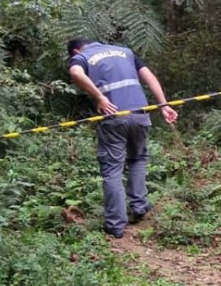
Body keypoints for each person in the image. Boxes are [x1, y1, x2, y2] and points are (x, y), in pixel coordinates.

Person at [66, 38, 178, 239]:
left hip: (114, 117)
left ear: (75, 51)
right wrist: (164, 105)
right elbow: (149, 77)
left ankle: (115, 225)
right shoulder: (125, 51)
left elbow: (75, 73)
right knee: (138, 159)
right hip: (140, 114)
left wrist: (100, 98)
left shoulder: (83, 57)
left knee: (112, 169)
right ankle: (139, 207)